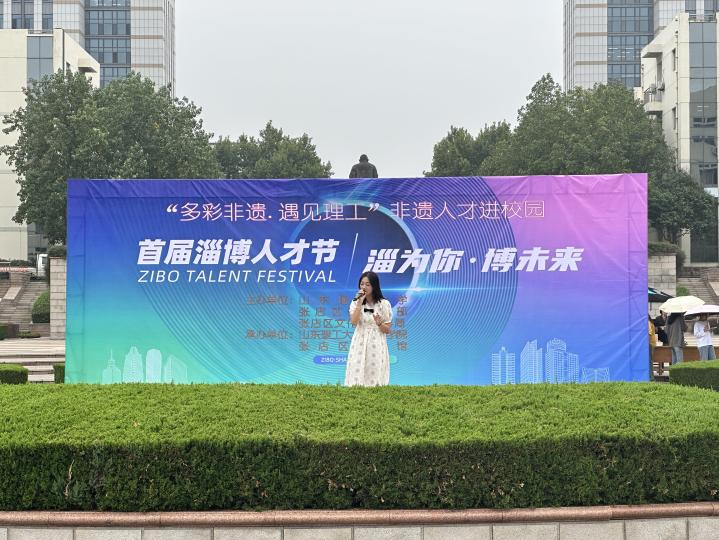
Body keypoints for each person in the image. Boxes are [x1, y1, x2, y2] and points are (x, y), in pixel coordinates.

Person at [345, 271, 392, 386]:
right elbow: (354, 322)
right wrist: (359, 303)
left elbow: (387, 330)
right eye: (362, 284)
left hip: (376, 343)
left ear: (374, 286)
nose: (364, 287)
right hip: (359, 341)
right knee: (356, 371)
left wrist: (380, 323)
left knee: (374, 373)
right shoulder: (355, 302)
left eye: (367, 284)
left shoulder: (384, 304)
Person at [649, 315, 657, 381]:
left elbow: (649, 334)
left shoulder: (648, 323)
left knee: (649, 361)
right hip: (652, 343)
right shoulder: (651, 322)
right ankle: (651, 377)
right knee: (650, 360)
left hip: (650, 344)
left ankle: (651, 377)